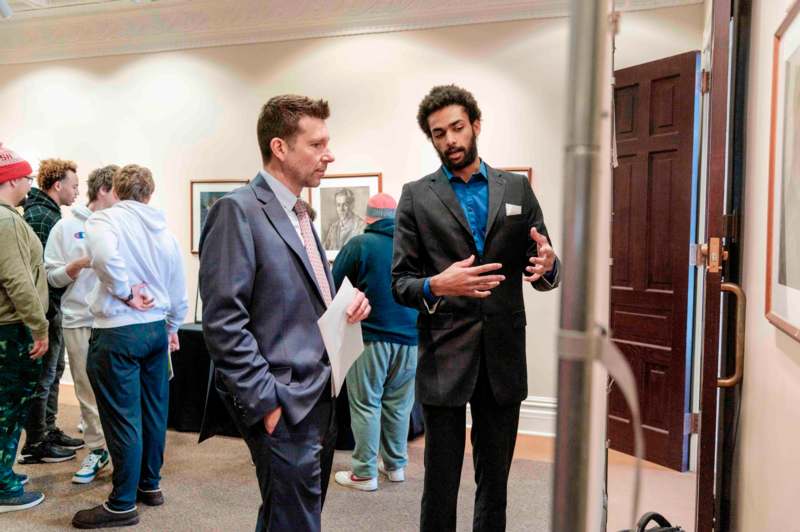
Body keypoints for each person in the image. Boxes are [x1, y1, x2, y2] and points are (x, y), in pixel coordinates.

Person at [392, 84, 560, 532]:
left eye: (457, 128)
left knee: (496, 485)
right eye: (438, 133)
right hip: (444, 357)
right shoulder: (415, 196)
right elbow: (400, 285)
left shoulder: (517, 189)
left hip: (503, 357)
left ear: (476, 126)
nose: (449, 139)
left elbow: (543, 265)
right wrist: (436, 284)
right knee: (441, 484)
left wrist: (549, 265)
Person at [199, 94, 371, 532]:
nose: (328, 154)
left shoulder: (299, 214)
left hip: (319, 394)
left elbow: (303, 299)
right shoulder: (236, 210)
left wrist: (347, 306)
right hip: (283, 401)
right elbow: (222, 322)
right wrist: (266, 404)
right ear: (280, 147)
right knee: (296, 521)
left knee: (289, 515)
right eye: (316, 144)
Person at [71, 164, 188, 529]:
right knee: (154, 412)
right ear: (149, 193)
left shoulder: (104, 221)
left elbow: (104, 258)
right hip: (155, 330)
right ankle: (149, 485)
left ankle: (122, 503)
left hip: (119, 332)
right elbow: (177, 286)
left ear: (117, 191)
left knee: (123, 419)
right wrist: (172, 325)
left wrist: (123, 291)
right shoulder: (164, 232)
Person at [332, 193, 419, 492]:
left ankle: (364, 473)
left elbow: (333, 284)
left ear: (368, 218)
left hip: (371, 337)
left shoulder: (360, 244)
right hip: (411, 340)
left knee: (367, 403)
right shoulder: (413, 245)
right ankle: (395, 467)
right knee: (399, 405)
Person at [44, 165, 119, 485]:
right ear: (104, 191)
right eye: (120, 191)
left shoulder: (120, 225)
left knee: (118, 391)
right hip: (77, 319)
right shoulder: (65, 227)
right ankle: (97, 449)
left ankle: (124, 453)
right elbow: (51, 276)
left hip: (115, 320)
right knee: (86, 391)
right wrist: (76, 266)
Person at [20, 158, 84, 464]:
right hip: (45, 309)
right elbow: (40, 272)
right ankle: (37, 440)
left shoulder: (48, 214)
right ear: (57, 185)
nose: (77, 192)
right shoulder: (43, 218)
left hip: (52, 306)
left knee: (54, 371)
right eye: (73, 186)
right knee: (44, 375)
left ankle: (48, 428)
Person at [0, 144, 49, 513]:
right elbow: (18, 282)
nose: (31, 186)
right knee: (8, 408)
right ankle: (3, 483)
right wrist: (39, 327)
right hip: (12, 330)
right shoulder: (6, 221)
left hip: (8, 328)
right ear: (11, 179)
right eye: (27, 178)